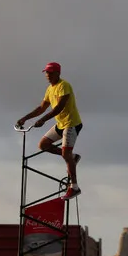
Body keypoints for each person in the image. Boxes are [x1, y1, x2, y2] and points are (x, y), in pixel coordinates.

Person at [16, 62, 84, 201]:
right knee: (43, 145)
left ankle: (75, 187)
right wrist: (25, 118)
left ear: (58, 73)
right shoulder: (50, 89)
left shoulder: (64, 86)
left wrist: (43, 120)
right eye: (47, 73)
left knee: (66, 153)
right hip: (61, 124)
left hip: (71, 124)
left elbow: (58, 107)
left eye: (51, 72)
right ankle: (72, 158)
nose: (48, 75)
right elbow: (42, 108)